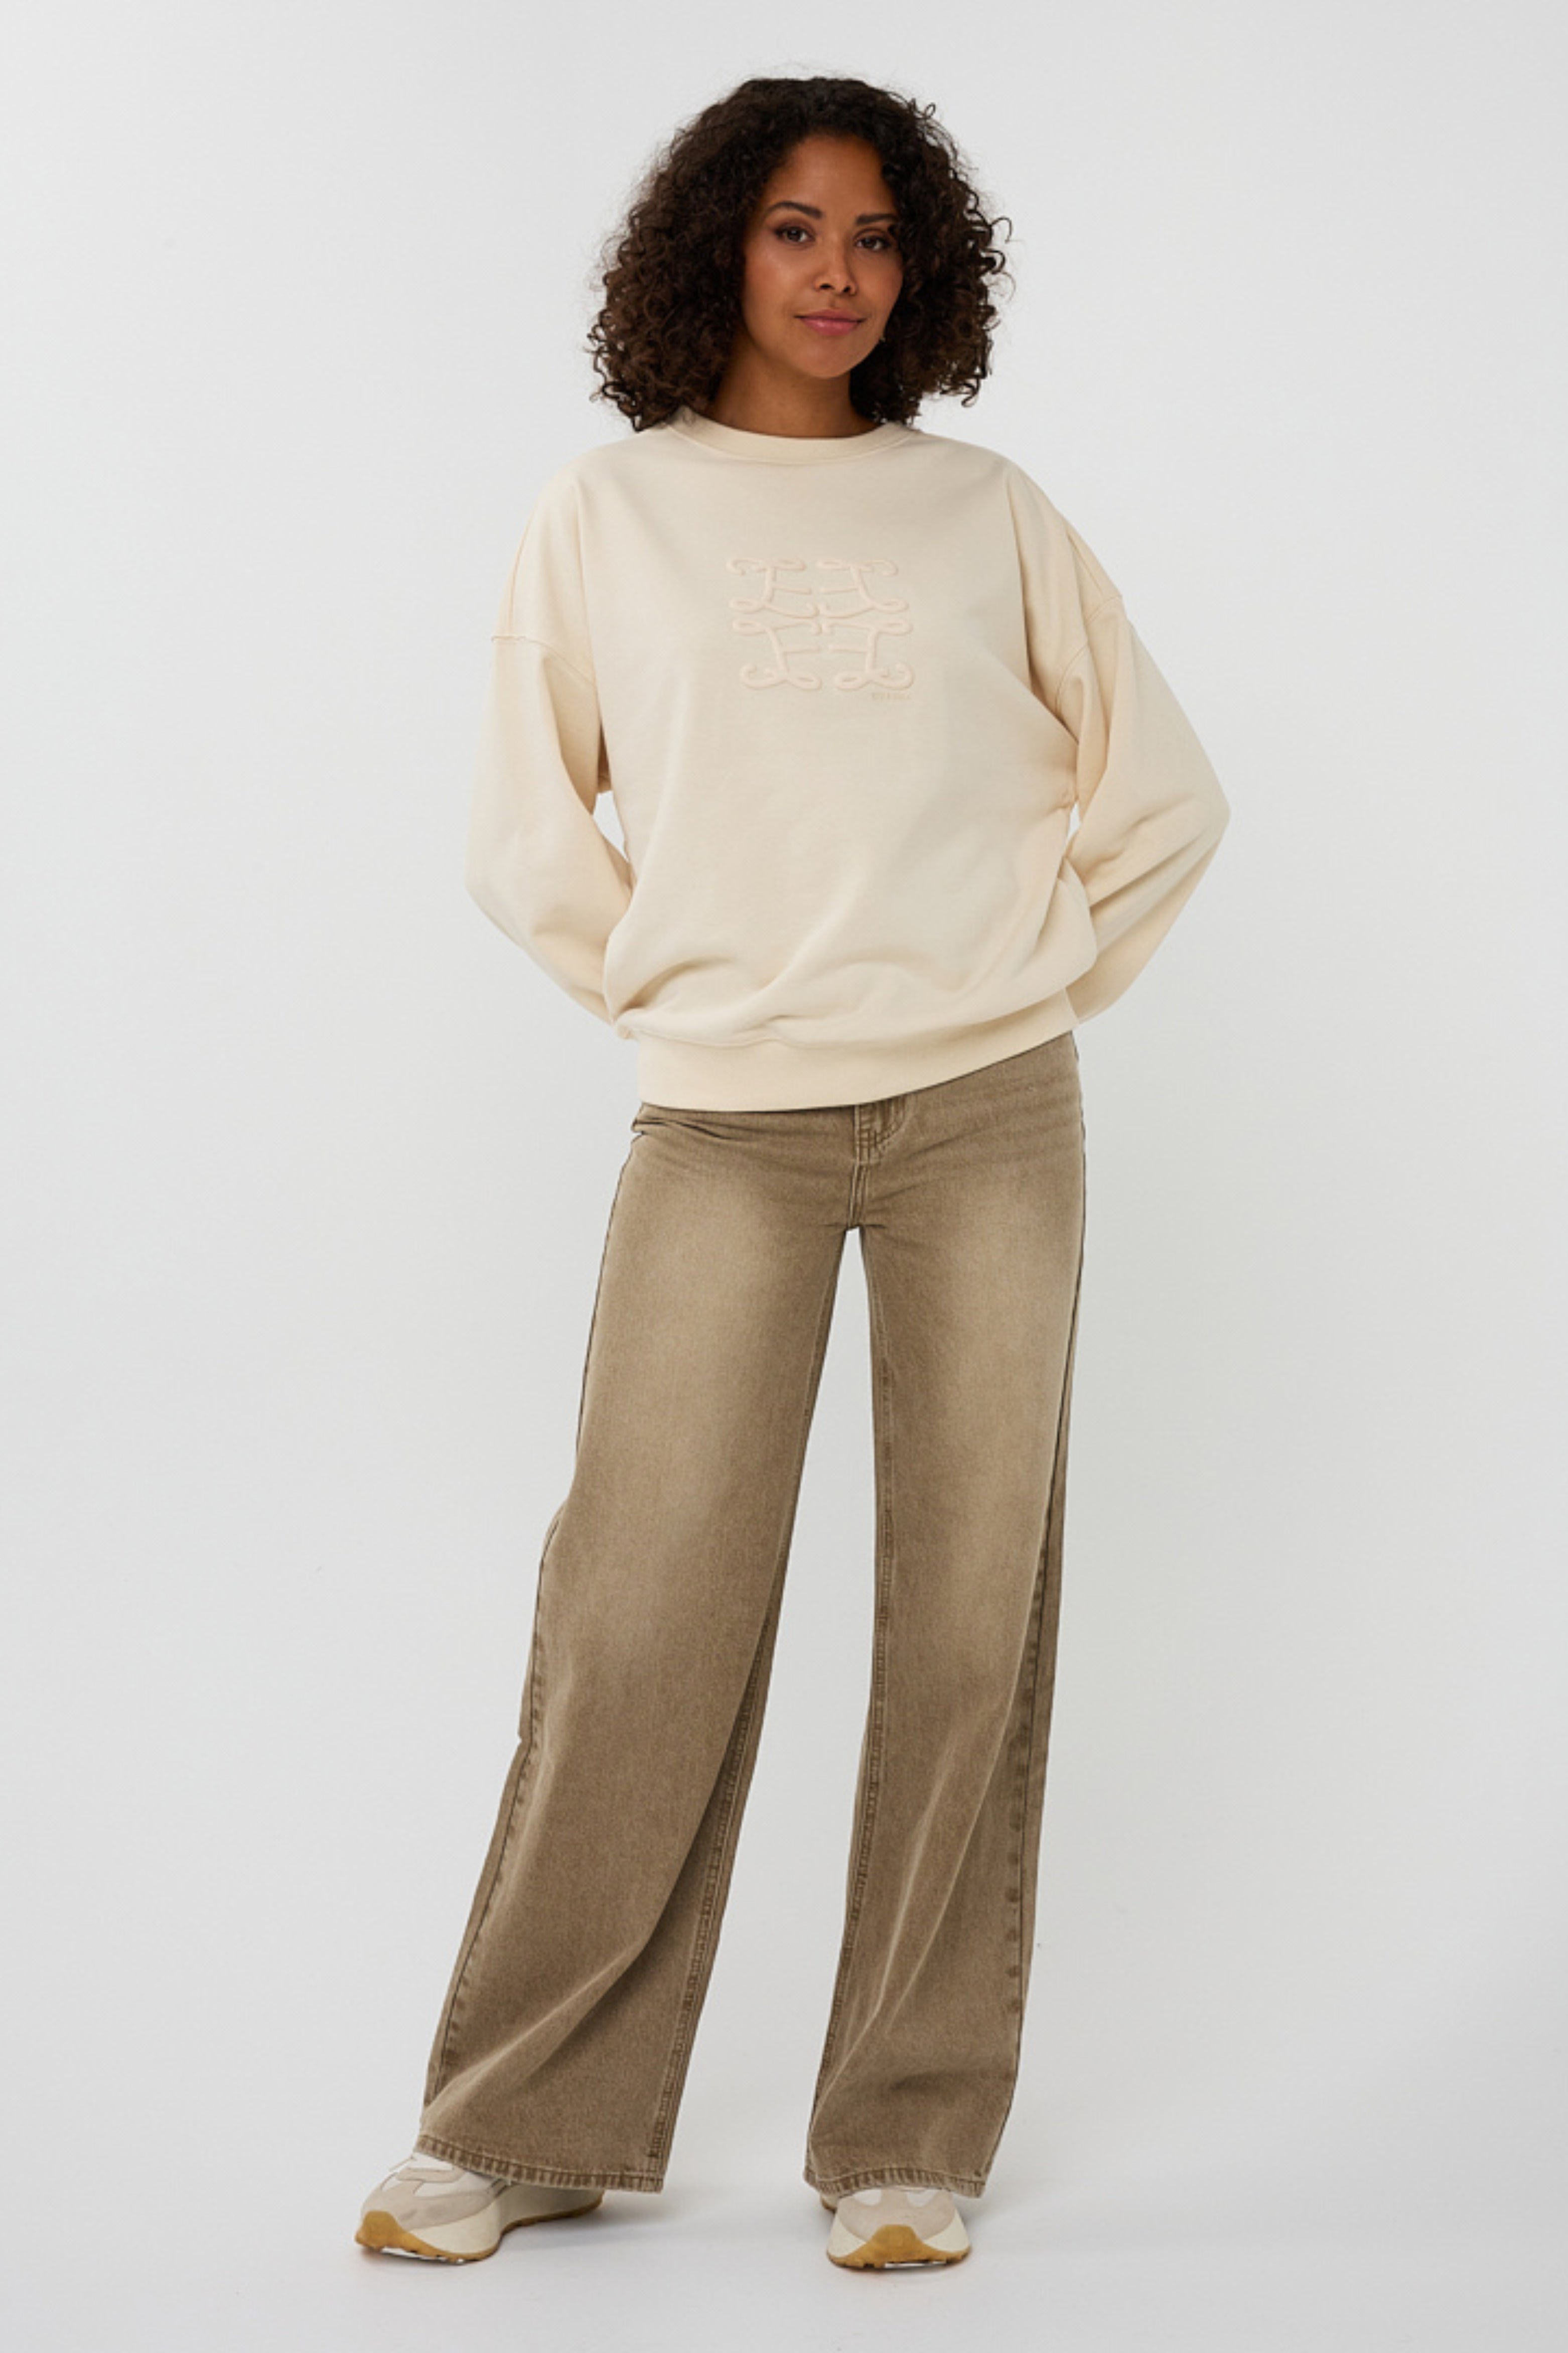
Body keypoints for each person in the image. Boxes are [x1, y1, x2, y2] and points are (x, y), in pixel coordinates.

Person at [355, 72, 1230, 2275]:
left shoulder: (986, 512)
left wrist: (1018, 980)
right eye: (791, 229)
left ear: (920, 268)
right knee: (637, 1607)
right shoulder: (609, 512)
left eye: (874, 234)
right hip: (722, 1125)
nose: (838, 273)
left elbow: (1165, 797)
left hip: (989, 1118)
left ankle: (905, 2132)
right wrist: (689, 994)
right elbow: (522, 832)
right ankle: (527, 2116)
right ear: (711, 253)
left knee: (966, 1618)